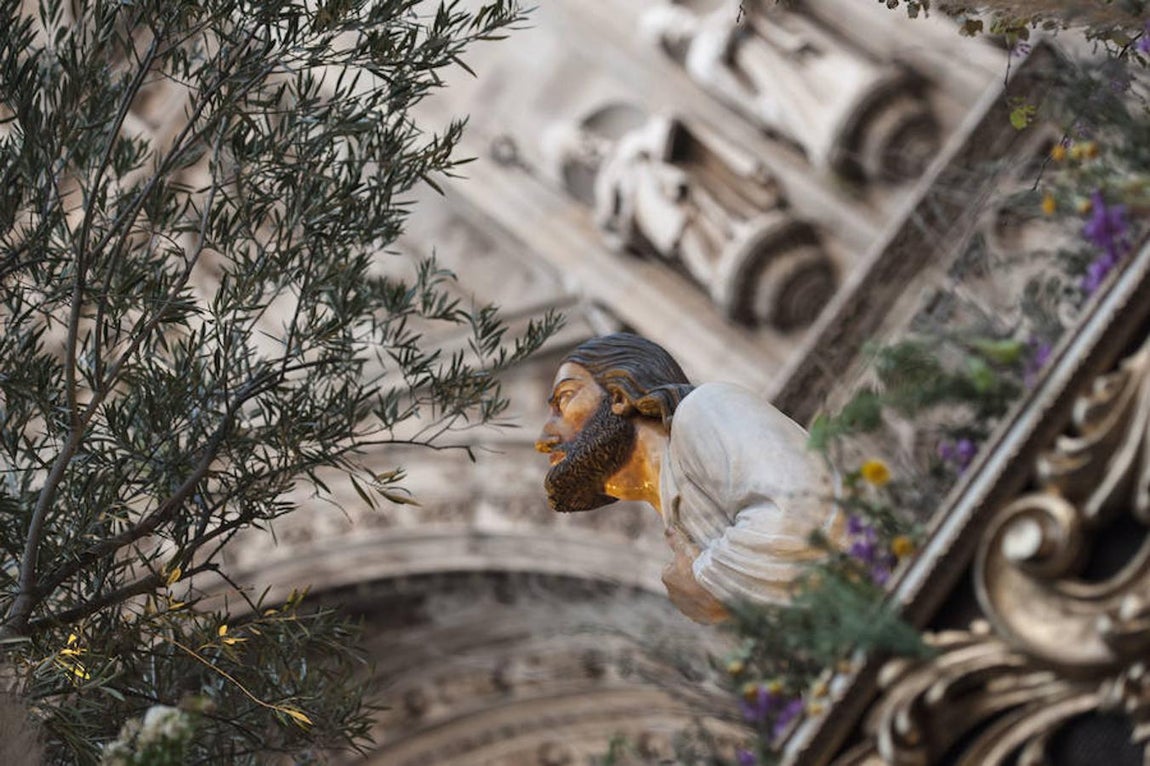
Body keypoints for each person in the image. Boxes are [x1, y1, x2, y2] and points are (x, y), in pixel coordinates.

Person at [535, 333, 844, 623]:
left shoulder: (704, 408)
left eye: (565, 399)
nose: (544, 437)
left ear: (618, 396)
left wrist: (705, 582)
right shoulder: (675, 513)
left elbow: (806, 511)